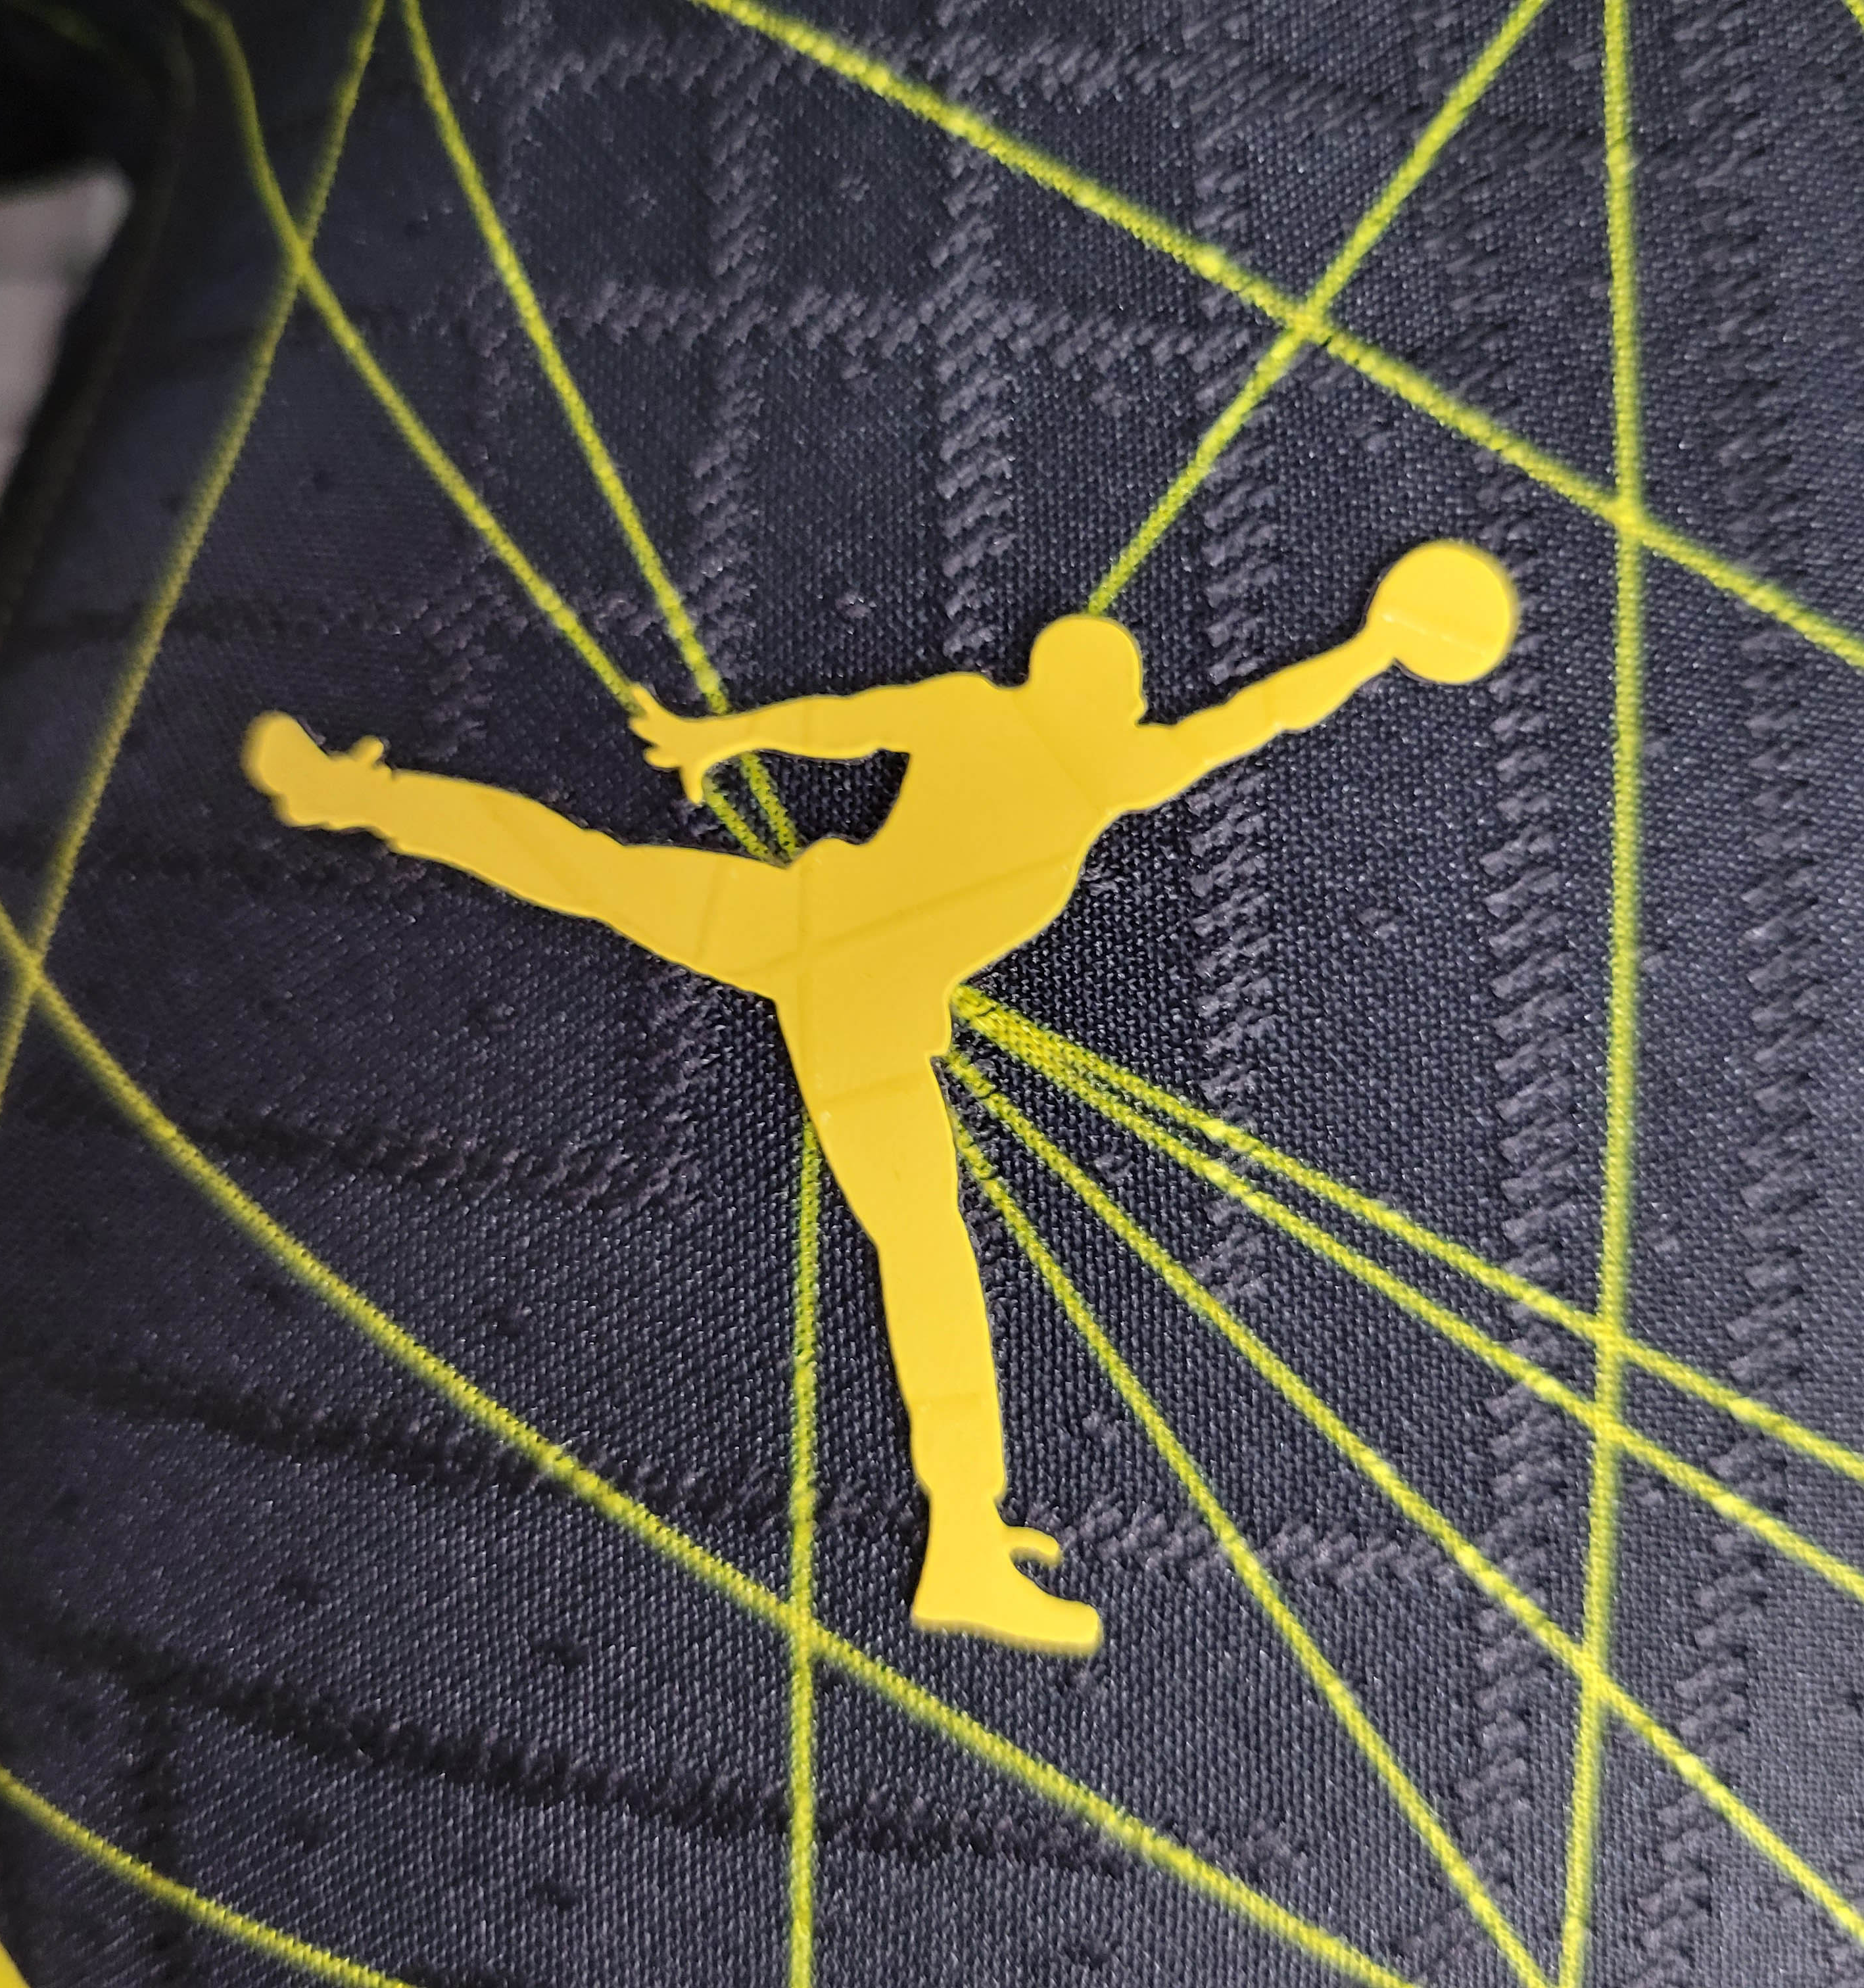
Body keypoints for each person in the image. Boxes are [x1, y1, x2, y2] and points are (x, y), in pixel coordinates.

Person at [243, 538, 1517, 1657]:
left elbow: (838, 723)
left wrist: (723, 738)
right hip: (859, 1005)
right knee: (923, 1257)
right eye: (1125, 688)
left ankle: (352, 792)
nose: (1133, 702)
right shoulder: (1110, 769)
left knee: (584, 869)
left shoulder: (985, 717)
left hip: (796, 925)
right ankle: (962, 1535)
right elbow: (1261, 714)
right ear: (1102, 696)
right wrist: (1374, 647)